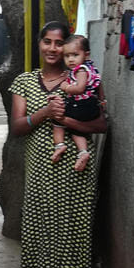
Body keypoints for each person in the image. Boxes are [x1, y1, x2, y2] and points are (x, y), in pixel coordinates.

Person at [8, 21, 108, 268]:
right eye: (47, 42)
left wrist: (67, 121)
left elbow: (102, 126)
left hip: (75, 174)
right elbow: (17, 127)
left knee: (72, 238)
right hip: (40, 172)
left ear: (69, 48)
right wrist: (45, 115)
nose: (53, 49)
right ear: (39, 44)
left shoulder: (83, 77)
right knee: (39, 237)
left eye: (59, 43)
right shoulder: (24, 82)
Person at [50, 34, 103, 172]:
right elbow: (99, 85)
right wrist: (102, 101)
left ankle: (59, 145)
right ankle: (83, 152)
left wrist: (66, 87)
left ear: (86, 55)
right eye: (67, 56)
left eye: (75, 55)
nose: (71, 59)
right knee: (77, 130)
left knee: (57, 120)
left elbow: (79, 89)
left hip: (81, 104)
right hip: (92, 105)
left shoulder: (80, 70)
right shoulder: (92, 68)